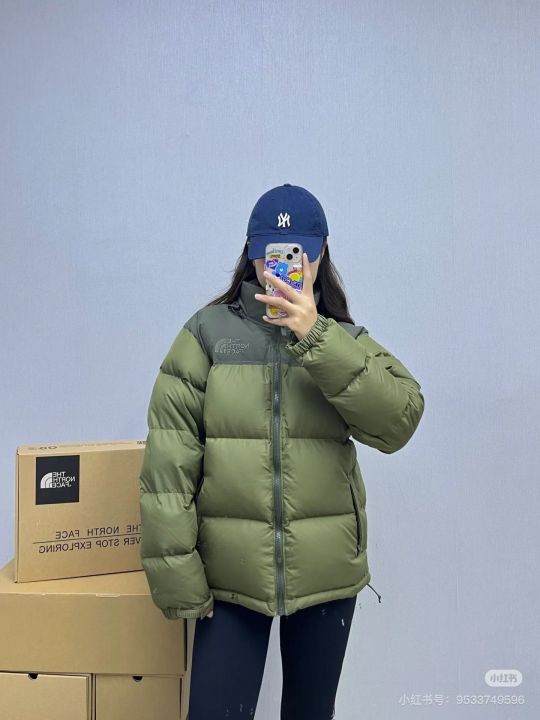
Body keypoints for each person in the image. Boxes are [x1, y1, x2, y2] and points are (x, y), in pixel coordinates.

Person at [138, 183, 425, 719]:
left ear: (321, 253)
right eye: (271, 252)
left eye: (299, 253)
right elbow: (167, 467)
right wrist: (178, 576)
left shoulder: (340, 339)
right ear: (251, 253)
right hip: (228, 577)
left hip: (325, 574)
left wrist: (316, 336)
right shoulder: (206, 335)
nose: (286, 266)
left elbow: (399, 421)